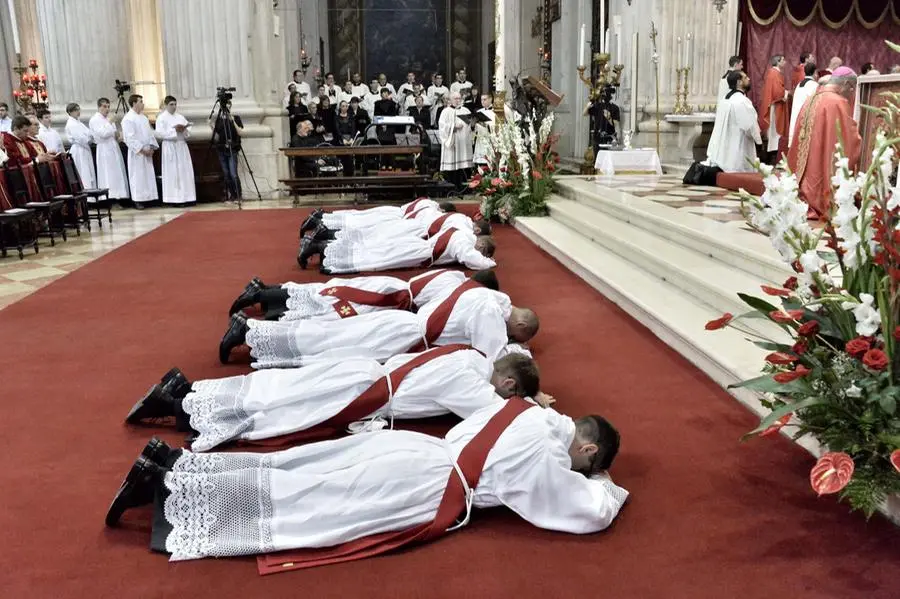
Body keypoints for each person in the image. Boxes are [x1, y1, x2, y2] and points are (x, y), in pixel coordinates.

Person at [106, 399, 627, 569]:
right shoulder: (544, 454)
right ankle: (164, 497)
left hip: (417, 447)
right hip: (424, 483)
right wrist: (606, 485)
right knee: (311, 505)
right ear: (585, 449)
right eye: (587, 463)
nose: (579, 470)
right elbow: (582, 512)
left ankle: (173, 467)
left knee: (302, 468)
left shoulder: (524, 412)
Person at [125, 347, 546, 451]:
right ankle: (177, 404)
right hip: (362, 393)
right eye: (511, 390)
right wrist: (537, 405)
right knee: (283, 407)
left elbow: (504, 375)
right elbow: (499, 417)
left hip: (362, 371)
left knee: (281, 388)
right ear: (508, 385)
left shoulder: (471, 355)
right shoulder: (473, 385)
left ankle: (188, 391)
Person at [221, 281, 536, 370]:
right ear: (519, 322)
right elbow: (492, 358)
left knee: (331, 335)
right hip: (404, 336)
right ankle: (250, 332)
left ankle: (251, 330)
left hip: (403, 325)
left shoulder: (485, 294)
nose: (512, 336)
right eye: (517, 334)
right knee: (330, 344)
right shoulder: (491, 312)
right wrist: (521, 357)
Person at [229, 269, 499, 322]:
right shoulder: (458, 290)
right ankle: (263, 306)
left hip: (390, 288)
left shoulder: (454, 276)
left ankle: (262, 294)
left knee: (325, 294)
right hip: (391, 300)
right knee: (330, 311)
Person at [787, 67, 861, 219]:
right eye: (852, 89)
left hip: (807, 167)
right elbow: (847, 139)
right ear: (847, 84)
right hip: (818, 177)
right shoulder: (837, 102)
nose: (852, 94)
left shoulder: (812, 98)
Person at [300, 224, 497, 273]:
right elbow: (474, 261)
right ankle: (319, 248)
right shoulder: (466, 244)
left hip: (417, 244)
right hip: (418, 252)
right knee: (375, 259)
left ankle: (319, 247)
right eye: (483, 251)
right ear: (481, 245)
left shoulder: (461, 232)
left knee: (372, 250)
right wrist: (490, 261)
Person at [705, 71, 761, 173]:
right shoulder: (742, 101)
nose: (749, 79)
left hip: (724, 147)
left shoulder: (724, 99)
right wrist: (758, 139)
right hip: (738, 147)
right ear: (739, 82)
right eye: (745, 77)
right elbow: (749, 126)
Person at [155, 96, 196, 206]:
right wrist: (174, 131)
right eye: (171, 104)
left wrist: (184, 129)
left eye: (175, 104)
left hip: (181, 146)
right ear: (166, 105)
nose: (174, 107)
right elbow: (159, 133)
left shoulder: (180, 117)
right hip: (170, 146)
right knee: (173, 172)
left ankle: (187, 197)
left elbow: (188, 132)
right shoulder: (161, 118)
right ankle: (174, 199)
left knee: (184, 171)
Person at [121, 94, 159, 209]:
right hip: (137, 153)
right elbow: (129, 138)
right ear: (134, 103)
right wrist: (142, 150)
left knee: (148, 176)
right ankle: (138, 200)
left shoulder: (143, 117)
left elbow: (150, 133)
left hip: (148, 151)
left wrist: (152, 147)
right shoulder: (128, 119)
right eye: (141, 101)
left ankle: (149, 198)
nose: (143, 103)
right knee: (138, 176)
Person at [89, 97, 130, 203]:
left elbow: (113, 132)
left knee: (116, 172)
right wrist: (110, 122)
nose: (107, 109)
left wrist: (118, 135)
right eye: (104, 106)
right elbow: (102, 134)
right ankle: (109, 197)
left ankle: (119, 196)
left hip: (113, 146)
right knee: (108, 173)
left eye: (108, 107)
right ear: (99, 107)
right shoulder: (95, 119)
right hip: (104, 148)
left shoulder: (108, 119)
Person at [209, 99, 243, 201]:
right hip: (221, 148)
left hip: (232, 149)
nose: (227, 107)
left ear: (230, 106)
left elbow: (240, 132)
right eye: (225, 105)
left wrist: (232, 120)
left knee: (233, 174)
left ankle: (238, 194)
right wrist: (211, 126)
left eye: (228, 104)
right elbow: (217, 136)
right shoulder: (219, 120)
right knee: (226, 174)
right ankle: (232, 194)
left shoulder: (236, 118)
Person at [438, 91, 473, 189]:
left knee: (463, 167)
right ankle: (453, 188)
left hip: (463, 143)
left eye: (459, 98)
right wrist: (453, 126)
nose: (458, 100)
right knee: (452, 168)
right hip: (452, 142)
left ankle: (464, 188)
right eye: (455, 98)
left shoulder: (466, 111)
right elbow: (442, 126)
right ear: (450, 100)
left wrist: (473, 123)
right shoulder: (446, 111)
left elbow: (470, 126)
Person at [758, 54, 789, 164]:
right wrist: (785, 93)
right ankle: (772, 158)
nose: (785, 61)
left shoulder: (774, 73)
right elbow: (777, 93)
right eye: (783, 60)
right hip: (775, 107)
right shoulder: (774, 73)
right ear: (778, 62)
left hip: (775, 106)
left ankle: (771, 157)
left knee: (773, 133)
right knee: (774, 133)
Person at [64, 102, 97, 189]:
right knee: (83, 171)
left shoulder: (79, 123)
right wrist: (88, 138)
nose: (78, 112)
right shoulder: (71, 124)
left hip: (84, 149)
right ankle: (86, 191)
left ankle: (91, 192)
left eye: (78, 109)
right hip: (79, 150)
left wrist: (90, 137)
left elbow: (89, 133)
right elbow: (81, 138)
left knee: (88, 171)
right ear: (70, 112)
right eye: (76, 110)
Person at [788, 62, 818, 149]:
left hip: (796, 118)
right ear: (815, 72)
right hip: (806, 119)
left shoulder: (798, 85)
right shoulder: (814, 85)